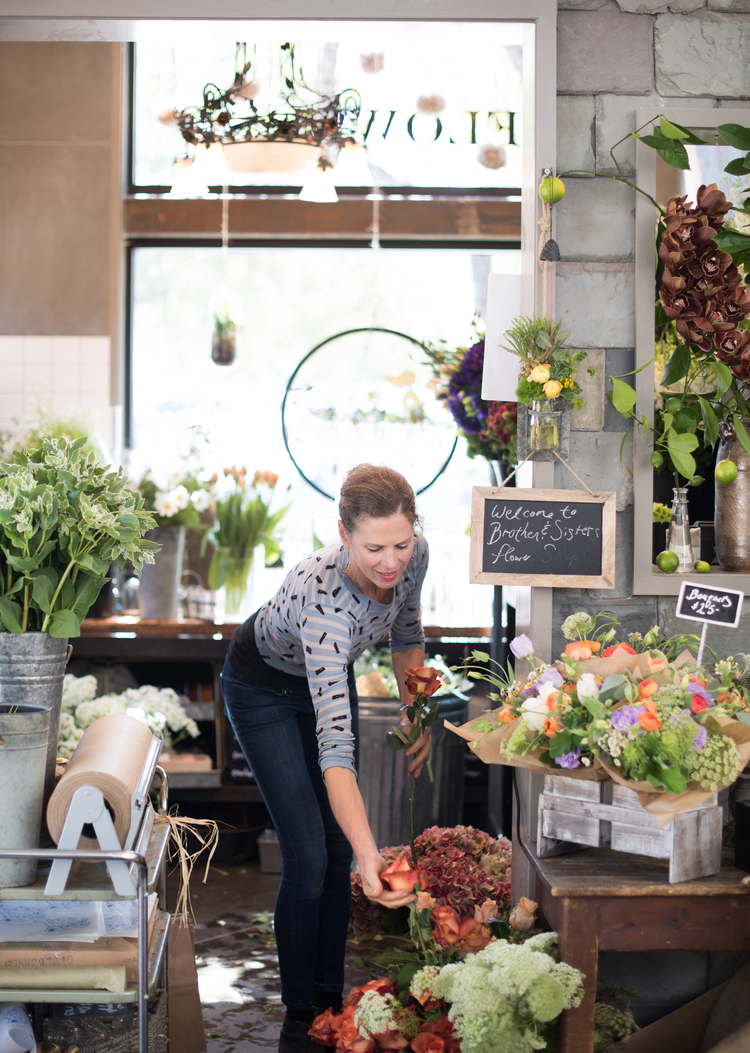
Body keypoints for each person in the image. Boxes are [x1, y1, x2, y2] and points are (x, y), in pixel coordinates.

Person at [222, 464, 432, 1053]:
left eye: (401, 542)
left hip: (323, 674)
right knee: (311, 854)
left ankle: (329, 1000)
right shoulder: (324, 601)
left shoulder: (413, 555)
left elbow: (407, 633)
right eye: (373, 549)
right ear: (343, 534)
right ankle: (298, 1017)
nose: (391, 561)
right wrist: (376, 855)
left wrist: (416, 711)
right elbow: (336, 752)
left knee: (337, 851)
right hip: (261, 687)